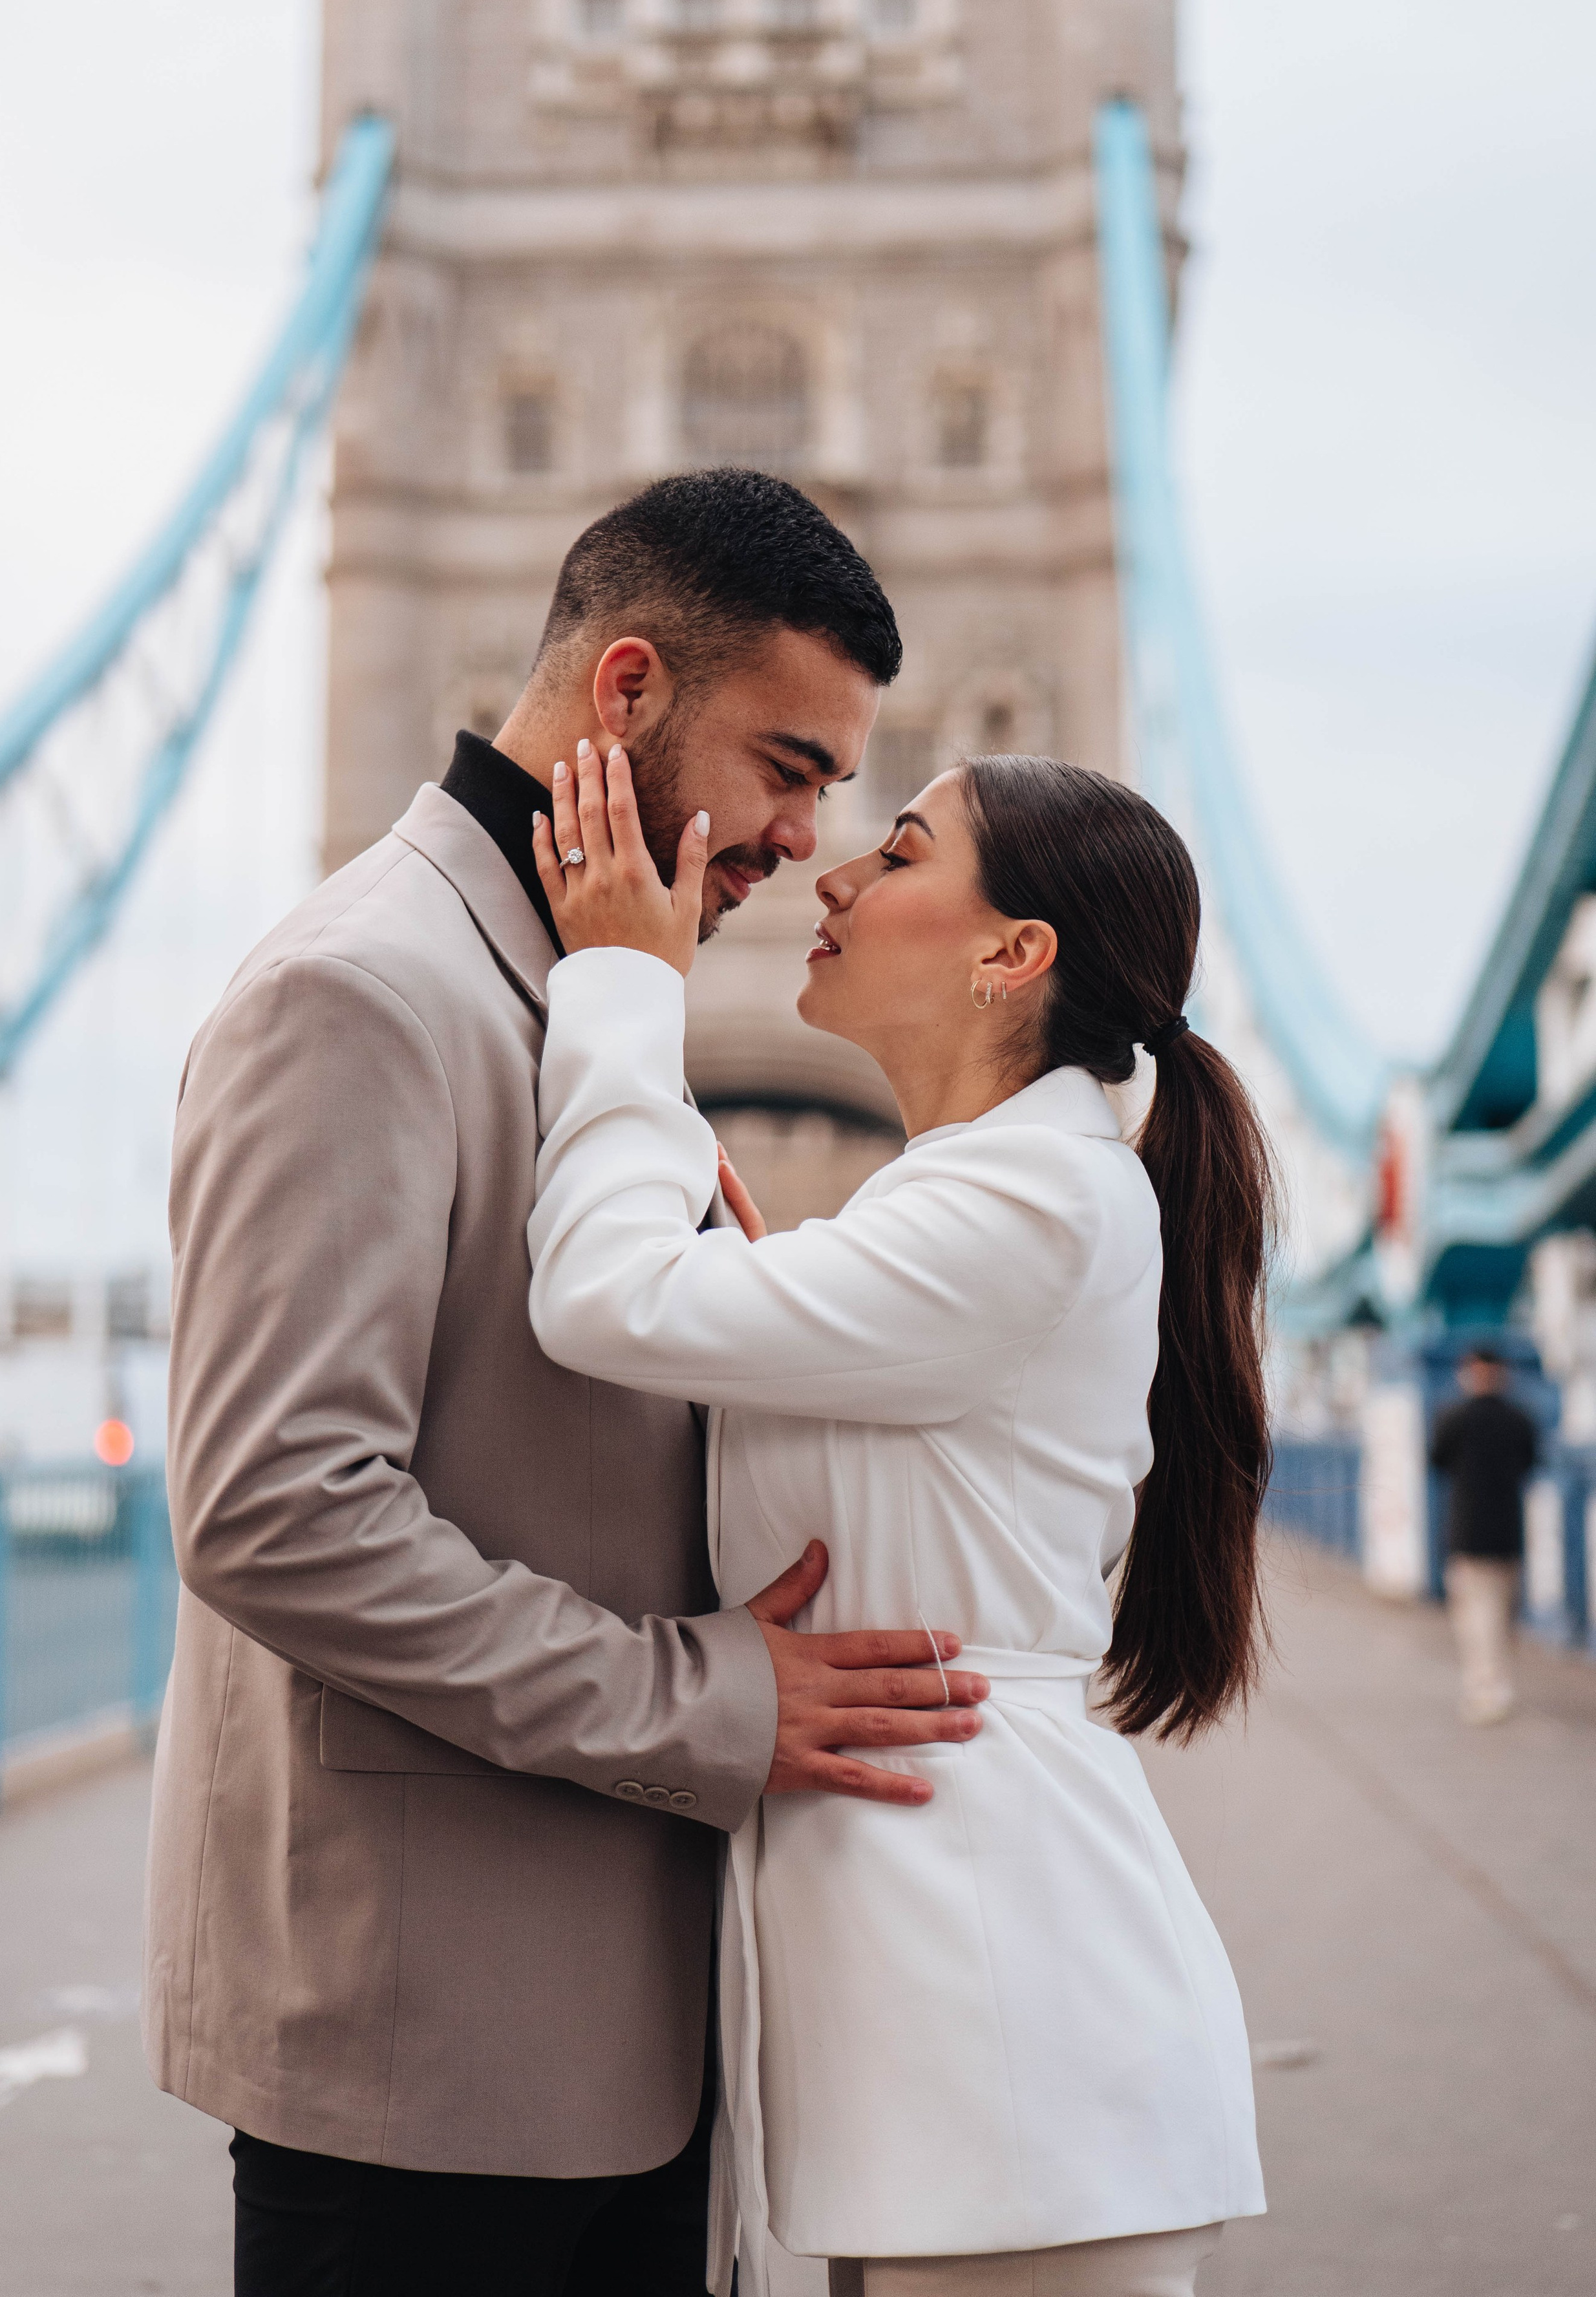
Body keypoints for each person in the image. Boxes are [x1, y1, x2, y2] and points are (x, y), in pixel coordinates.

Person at [144, 469, 994, 2297]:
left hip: (635, 2045)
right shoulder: (363, 992)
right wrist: (710, 1699)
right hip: (421, 2061)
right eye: (786, 766)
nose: (804, 837)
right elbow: (275, 1513)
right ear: (626, 689)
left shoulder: (599, 986)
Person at [526, 743, 1273, 2297]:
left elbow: (599, 1299)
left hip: (1005, 2009)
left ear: (1012, 955)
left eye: (903, 850)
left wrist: (622, 987)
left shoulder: (1032, 1202)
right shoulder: (979, 1194)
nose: (836, 868)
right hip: (947, 2000)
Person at [1430, 1344, 1538, 1725]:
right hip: (1509, 1531)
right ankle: (1499, 1684)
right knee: (1504, 1613)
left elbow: (1436, 1461)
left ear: (1469, 1373)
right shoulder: (1519, 1418)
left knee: (1475, 1615)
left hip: (1467, 1531)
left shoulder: (1453, 1417)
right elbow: (1531, 1462)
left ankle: (1484, 1689)